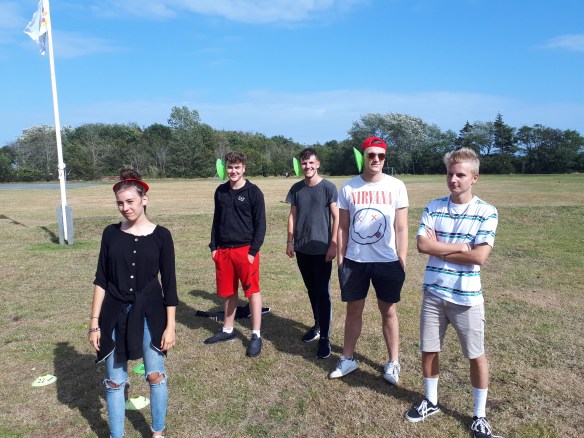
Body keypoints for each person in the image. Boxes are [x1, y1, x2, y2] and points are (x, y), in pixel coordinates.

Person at [404, 148, 499, 438]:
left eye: (460, 175)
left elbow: (479, 257)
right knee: (429, 348)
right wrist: (460, 247)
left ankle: (479, 415)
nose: (453, 180)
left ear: (474, 178)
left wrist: (440, 249)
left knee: (476, 355)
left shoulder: (487, 211)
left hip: (466, 297)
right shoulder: (434, 206)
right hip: (434, 292)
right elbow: (422, 245)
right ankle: (431, 401)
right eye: (449, 174)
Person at [89, 169, 177, 438]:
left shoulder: (162, 236)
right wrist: (94, 324)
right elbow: (101, 279)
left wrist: (170, 326)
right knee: (115, 382)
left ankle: (158, 433)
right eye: (120, 203)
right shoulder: (110, 233)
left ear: (144, 200)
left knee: (154, 376)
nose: (125, 208)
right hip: (113, 314)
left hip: (151, 313)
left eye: (130, 201)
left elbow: (170, 284)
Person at [329, 136, 408, 384]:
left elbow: (401, 227)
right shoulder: (348, 188)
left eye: (380, 155)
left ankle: (393, 362)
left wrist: (402, 259)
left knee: (389, 311)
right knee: (353, 310)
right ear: (363, 156)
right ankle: (347, 359)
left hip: (387, 261)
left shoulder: (396, 186)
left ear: (385, 158)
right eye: (371, 155)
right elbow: (342, 227)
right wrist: (341, 260)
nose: (375, 159)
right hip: (355, 261)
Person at [205, 151, 267, 357]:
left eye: (237, 167)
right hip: (224, 251)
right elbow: (216, 221)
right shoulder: (221, 191)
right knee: (228, 292)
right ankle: (227, 329)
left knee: (252, 291)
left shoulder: (253, 192)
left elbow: (260, 225)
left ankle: (256, 335)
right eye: (230, 167)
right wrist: (214, 247)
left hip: (245, 250)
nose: (233, 171)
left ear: (244, 168)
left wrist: (253, 251)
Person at [285, 148, 339, 359]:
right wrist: (290, 241)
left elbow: (336, 217)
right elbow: (292, 216)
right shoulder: (296, 189)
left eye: (311, 163)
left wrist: (333, 244)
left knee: (323, 292)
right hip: (302, 248)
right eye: (304, 163)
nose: (307, 166)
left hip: (322, 249)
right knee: (311, 290)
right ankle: (317, 325)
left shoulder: (328, 187)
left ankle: (325, 337)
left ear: (318, 164)